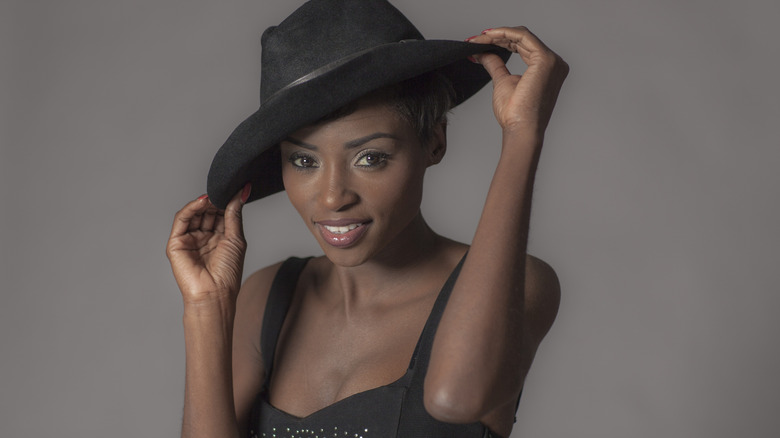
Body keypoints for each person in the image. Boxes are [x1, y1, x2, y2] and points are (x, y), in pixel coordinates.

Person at [166, 0, 568, 437]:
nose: (333, 197)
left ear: (434, 142)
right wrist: (206, 308)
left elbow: (457, 399)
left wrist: (522, 134)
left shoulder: (522, 283)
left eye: (370, 157)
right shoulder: (268, 296)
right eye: (304, 161)